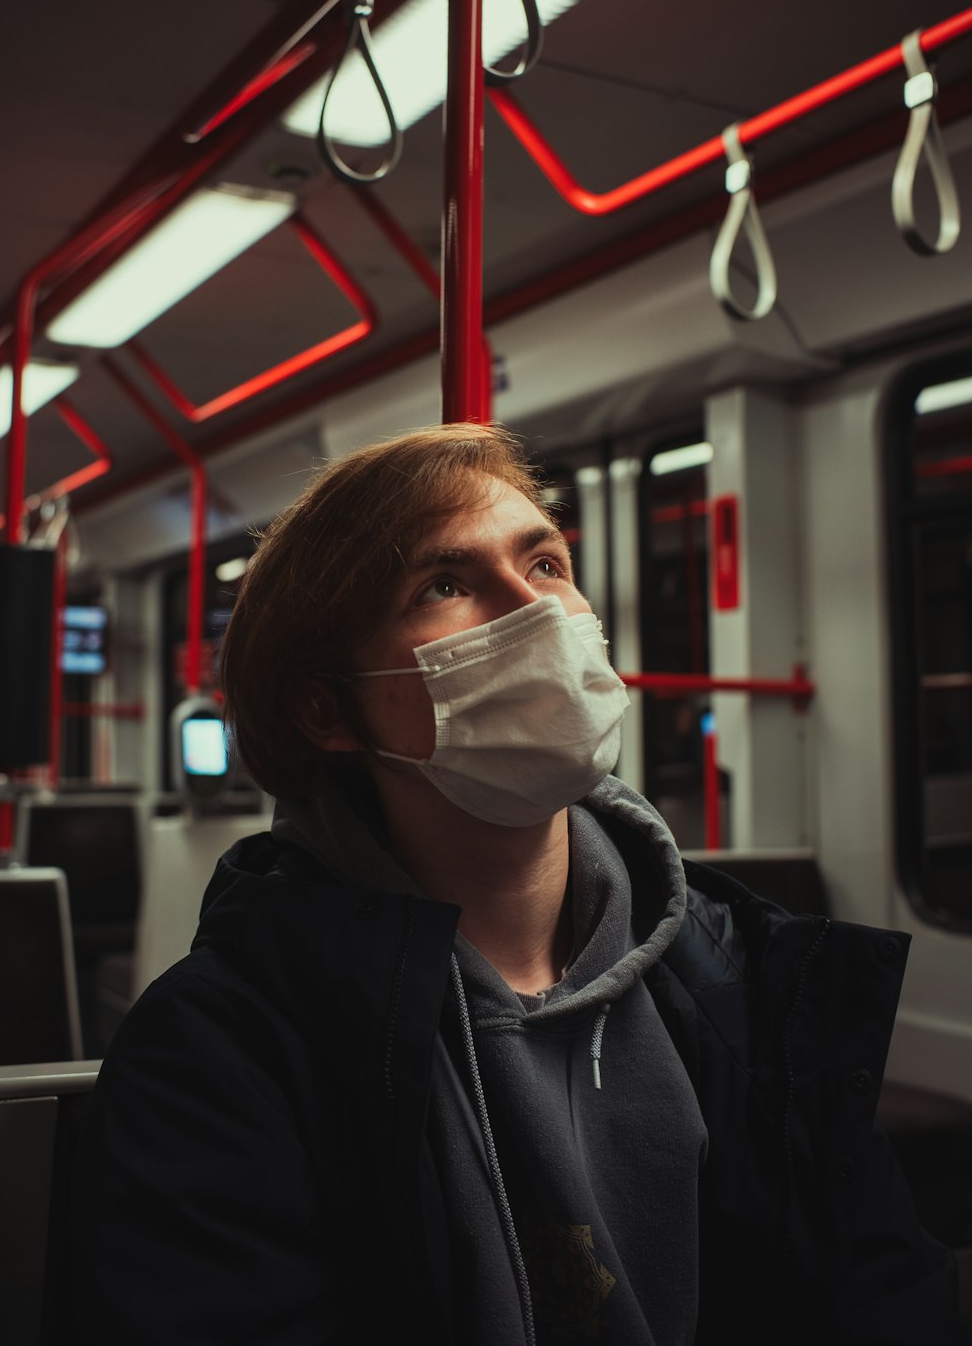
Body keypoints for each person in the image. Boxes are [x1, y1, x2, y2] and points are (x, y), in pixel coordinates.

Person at [71, 421, 969, 1345]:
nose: (534, 612)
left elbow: (884, 1296)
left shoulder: (743, 974)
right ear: (326, 710)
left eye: (545, 565)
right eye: (446, 585)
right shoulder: (222, 1052)